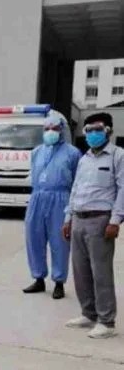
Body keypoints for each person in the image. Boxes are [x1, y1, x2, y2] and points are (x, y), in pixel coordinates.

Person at [63, 112, 123, 339]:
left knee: (101, 272)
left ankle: (106, 321)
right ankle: (88, 313)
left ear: (108, 130)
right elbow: (75, 189)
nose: (92, 134)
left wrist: (115, 220)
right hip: (78, 218)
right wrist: (68, 218)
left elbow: (123, 189)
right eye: (89, 130)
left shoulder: (118, 156)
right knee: (81, 271)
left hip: (101, 220)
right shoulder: (84, 158)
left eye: (97, 129)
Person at [22, 116, 81, 300]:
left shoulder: (72, 153)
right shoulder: (36, 152)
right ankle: (38, 278)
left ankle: (59, 282)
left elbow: (77, 181)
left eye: (54, 128)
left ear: (62, 130)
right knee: (34, 238)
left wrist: (72, 207)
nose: (50, 132)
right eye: (46, 128)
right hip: (37, 197)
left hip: (61, 197)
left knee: (59, 241)